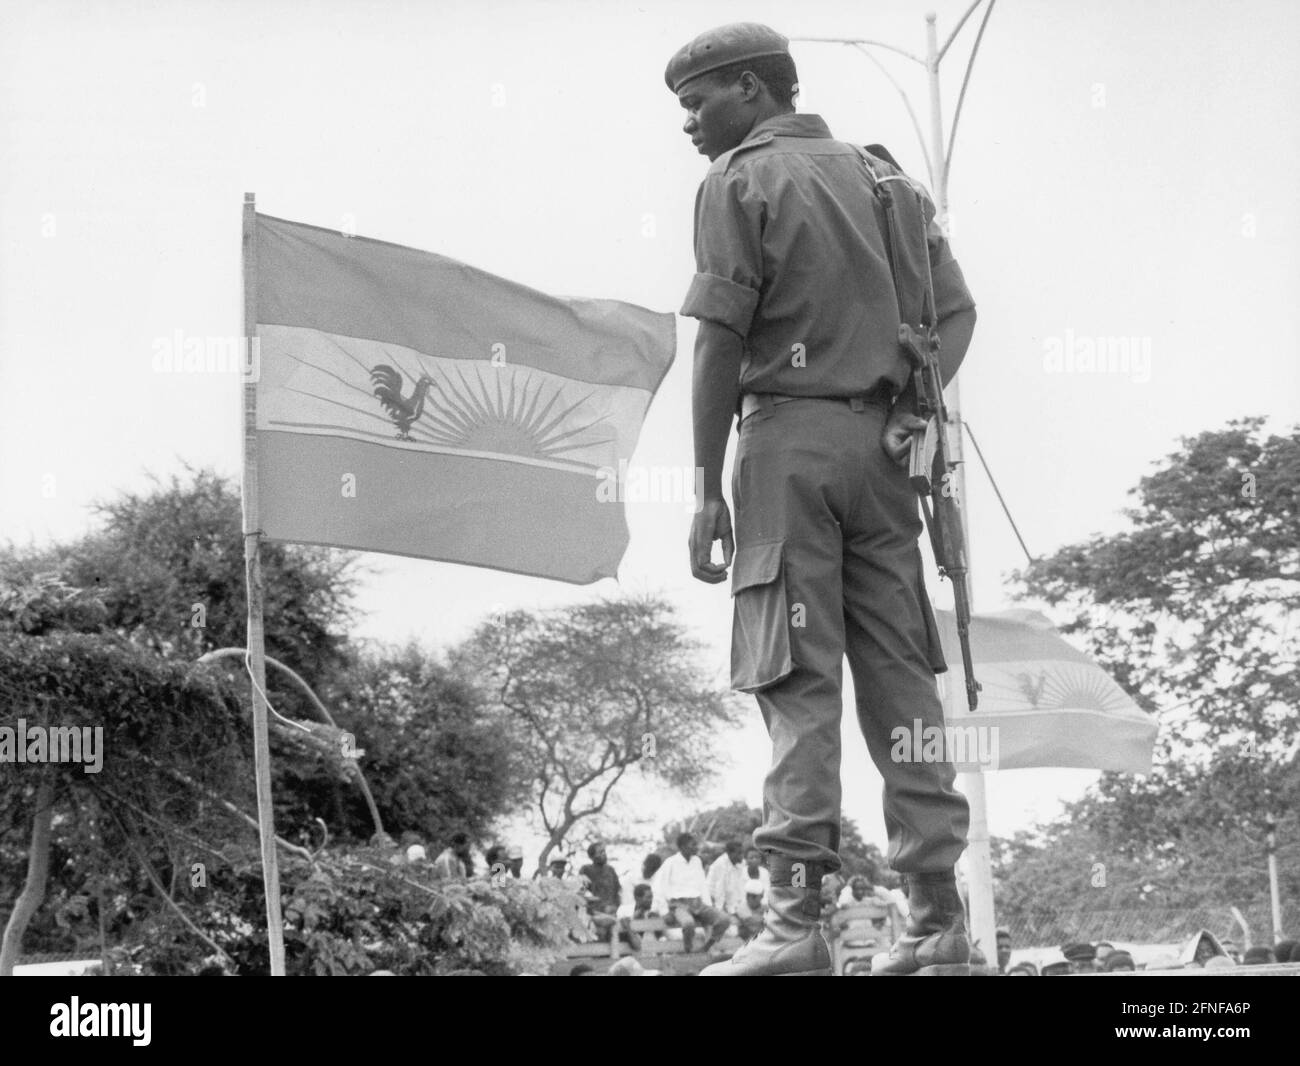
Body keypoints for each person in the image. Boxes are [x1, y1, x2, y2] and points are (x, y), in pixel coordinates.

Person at [667, 22, 977, 978]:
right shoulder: (890, 181)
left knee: (797, 682)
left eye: (698, 102)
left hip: (787, 451)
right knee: (901, 683)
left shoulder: (738, 181)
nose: (688, 123)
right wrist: (912, 409)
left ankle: (794, 926)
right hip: (883, 457)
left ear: (753, 89)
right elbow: (958, 310)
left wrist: (705, 489)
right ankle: (937, 922)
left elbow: (719, 341)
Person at [654, 833, 730, 954]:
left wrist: (708, 905)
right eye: (693, 845)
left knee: (724, 919)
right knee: (688, 923)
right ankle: (688, 951)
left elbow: (702, 884)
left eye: (696, 844)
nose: (696, 847)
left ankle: (707, 947)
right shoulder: (670, 862)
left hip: (698, 903)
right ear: (683, 847)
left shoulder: (697, 861)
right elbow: (658, 887)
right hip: (679, 904)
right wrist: (664, 911)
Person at [579, 843, 641, 952]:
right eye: (600, 852)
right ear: (592, 856)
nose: (604, 854)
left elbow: (617, 892)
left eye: (604, 851)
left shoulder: (610, 870)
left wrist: (617, 907)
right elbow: (582, 892)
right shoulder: (586, 870)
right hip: (596, 913)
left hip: (613, 911)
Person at [706, 840, 748, 917]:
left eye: (742, 853)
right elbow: (719, 891)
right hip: (714, 899)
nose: (742, 856)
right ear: (729, 853)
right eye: (739, 853)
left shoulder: (742, 862)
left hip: (733, 899)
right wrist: (722, 912)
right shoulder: (721, 864)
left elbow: (741, 885)